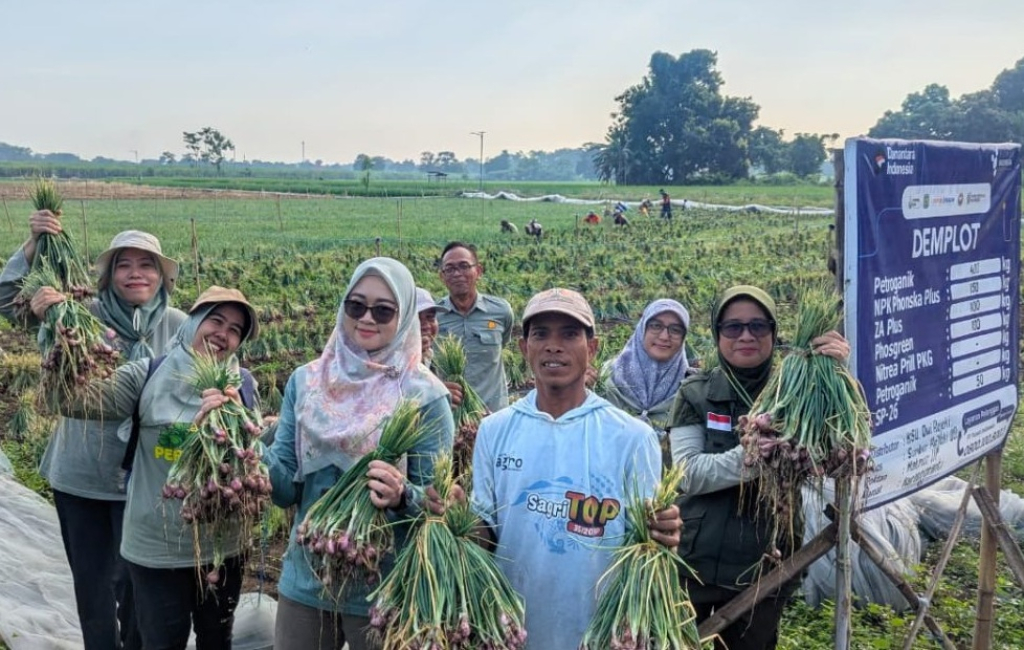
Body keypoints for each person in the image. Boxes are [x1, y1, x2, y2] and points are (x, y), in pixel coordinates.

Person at [0, 222, 185, 650]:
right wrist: (34, 246)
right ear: (109, 275)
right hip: (80, 475)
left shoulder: (180, 326)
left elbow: (191, 392)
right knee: (93, 586)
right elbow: (8, 301)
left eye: (147, 265)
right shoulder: (79, 315)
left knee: (138, 586)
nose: (135, 273)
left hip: (145, 480)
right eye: (124, 265)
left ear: (162, 276)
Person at [470, 288, 682, 649]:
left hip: (599, 633)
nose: (554, 346)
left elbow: (648, 543)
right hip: (513, 631)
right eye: (541, 334)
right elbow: (485, 531)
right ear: (523, 348)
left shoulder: (632, 437)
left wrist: (664, 531)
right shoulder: (494, 430)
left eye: (569, 334)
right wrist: (455, 522)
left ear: (592, 348)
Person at [265, 257, 455, 650]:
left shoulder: (425, 396)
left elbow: (436, 508)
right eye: (356, 306)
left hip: (384, 587)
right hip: (308, 576)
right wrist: (243, 446)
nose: (367, 318)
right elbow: (284, 490)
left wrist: (403, 496)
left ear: (404, 316)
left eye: (383, 310)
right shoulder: (306, 382)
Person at [62, 286, 260, 650]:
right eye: (215, 320)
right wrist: (62, 338)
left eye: (235, 329)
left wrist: (237, 421)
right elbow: (74, 402)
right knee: (161, 642)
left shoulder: (243, 385)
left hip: (223, 548)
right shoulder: (147, 374)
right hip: (157, 548)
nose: (223, 333)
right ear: (192, 322)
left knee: (217, 640)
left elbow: (254, 457)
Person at [667, 285, 849, 650]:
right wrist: (757, 456)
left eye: (758, 326)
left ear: (774, 332)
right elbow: (688, 473)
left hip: (766, 562)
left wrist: (835, 377)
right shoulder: (695, 393)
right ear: (717, 334)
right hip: (692, 562)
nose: (746, 336)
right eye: (733, 327)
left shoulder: (799, 391)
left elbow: (836, 458)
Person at [435, 241, 514, 413]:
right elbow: (424, 365)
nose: (457, 274)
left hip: (494, 413)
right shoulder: (434, 316)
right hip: (451, 413)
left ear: (478, 271)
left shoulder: (501, 311)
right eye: (450, 269)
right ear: (442, 276)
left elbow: (503, 344)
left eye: (464, 266)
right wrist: (438, 387)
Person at [603, 299, 692, 436]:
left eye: (675, 330)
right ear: (642, 329)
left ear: (683, 338)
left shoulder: (691, 389)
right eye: (656, 326)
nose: (664, 336)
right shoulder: (606, 377)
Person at [416, 286, 462, 406]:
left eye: (430, 317)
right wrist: (435, 397)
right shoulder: (391, 366)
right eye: (416, 318)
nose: (426, 325)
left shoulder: (429, 357)